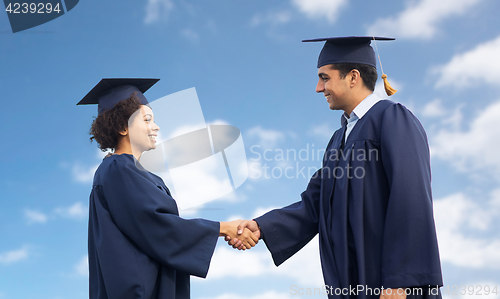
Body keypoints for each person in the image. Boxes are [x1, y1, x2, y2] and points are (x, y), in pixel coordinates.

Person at [229, 37, 443, 299]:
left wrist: (401, 281)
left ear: (353, 77)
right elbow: (314, 204)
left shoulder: (392, 119)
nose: (319, 88)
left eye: (325, 78)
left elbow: (412, 198)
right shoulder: (338, 139)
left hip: (389, 283)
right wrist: (262, 227)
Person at [77, 78, 258, 299]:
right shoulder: (117, 169)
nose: (156, 126)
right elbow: (155, 224)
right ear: (123, 126)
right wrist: (223, 228)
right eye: (147, 119)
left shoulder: (138, 174)